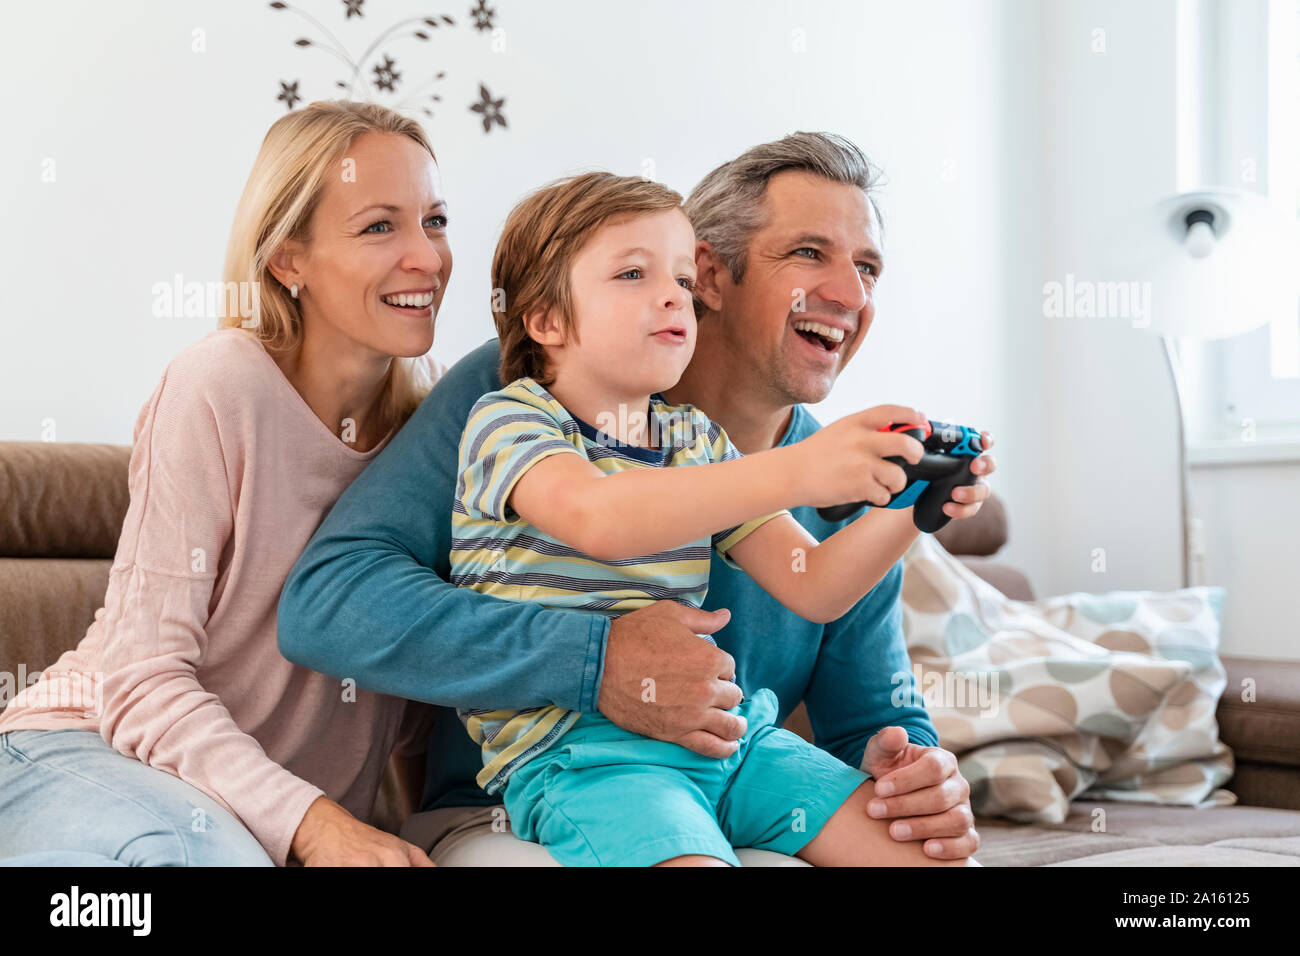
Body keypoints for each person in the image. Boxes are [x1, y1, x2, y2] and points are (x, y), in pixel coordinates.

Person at [278, 131, 994, 865]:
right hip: (556, 787)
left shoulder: (743, 453)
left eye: (868, 267)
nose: (851, 294)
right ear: (714, 274)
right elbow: (331, 602)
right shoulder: (519, 400)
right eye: (809, 253)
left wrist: (914, 513)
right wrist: (595, 661)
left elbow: (857, 679)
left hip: (733, 760)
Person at [0, 101, 450, 867]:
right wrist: (319, 825)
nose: (427, 257)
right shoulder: (220, 385)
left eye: (435, 221)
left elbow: (415, 689)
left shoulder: (435, 420)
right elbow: (140, 683)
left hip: (254, 822)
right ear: (287, 259)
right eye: (380, 226)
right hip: (84, 752)